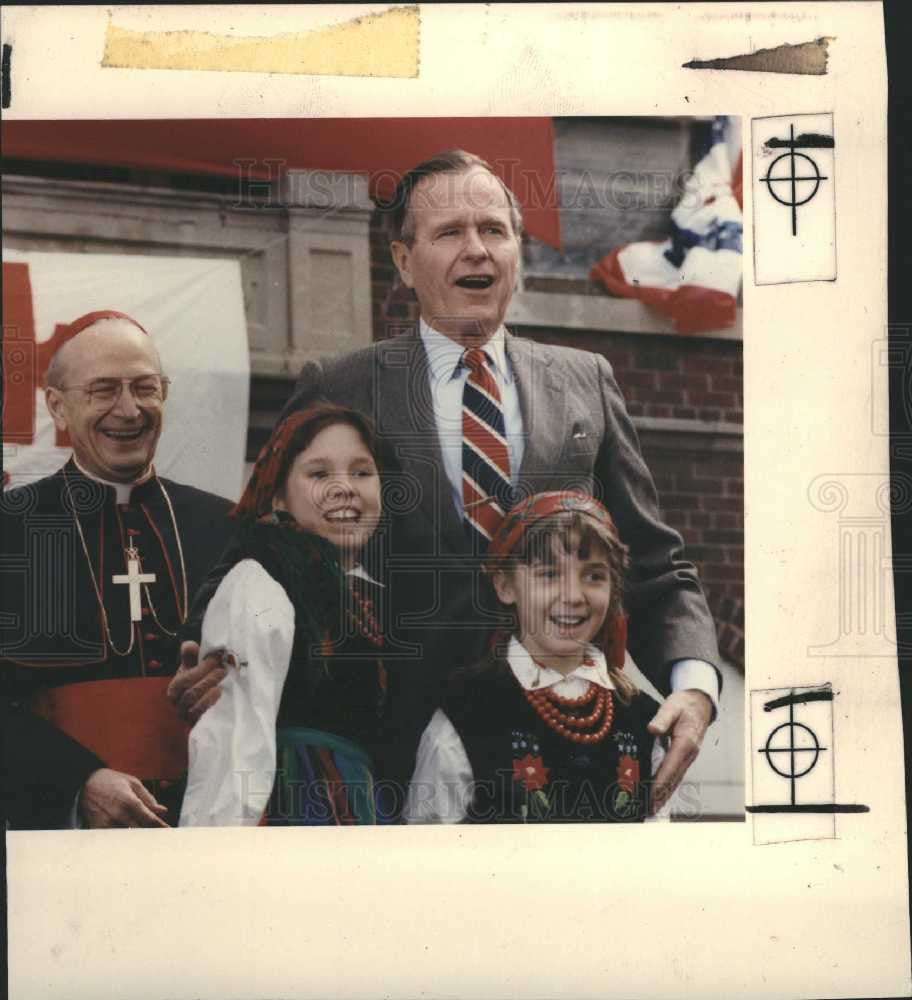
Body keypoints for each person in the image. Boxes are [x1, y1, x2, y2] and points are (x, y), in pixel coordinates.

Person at [171, 149, 722, 812]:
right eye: (449, 233)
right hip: (390, 756)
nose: (477, 251)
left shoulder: (586, 383)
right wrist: (198, 654)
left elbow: (657, 564)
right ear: (403, 262)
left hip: (561, 757)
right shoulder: (342, 385)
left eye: (494, 230)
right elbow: (255, 540)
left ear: (518, 250)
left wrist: (695, 686)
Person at [1, 310, 234, 829]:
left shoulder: (226, 526)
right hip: (57, 827)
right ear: (58, 407)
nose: (129, 410)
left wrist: (233, 678)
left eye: (144, 388)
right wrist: (75, 781)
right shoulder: (11, 529)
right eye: (104, 390)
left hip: (212, 819)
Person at [179, 403, 393, 826]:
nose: (344, 488)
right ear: (278, 495)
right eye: (318, 474)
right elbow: (234, 738)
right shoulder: (260, 580)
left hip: (358, 809)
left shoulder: (371, 592)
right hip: (291, 808)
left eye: (361, 472)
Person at [404, 491, 666, 824]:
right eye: (549, 574)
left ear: (614, 589)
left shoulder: (645, 723)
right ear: (505, 586)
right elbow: (429, 854)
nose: (573, 596)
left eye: (594, 576)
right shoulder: (466, 713)